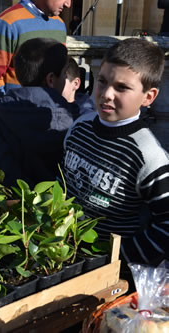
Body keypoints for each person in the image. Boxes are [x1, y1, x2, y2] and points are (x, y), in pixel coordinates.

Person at [62, 38, 169, 266]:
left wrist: (120, 260)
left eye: (122, 87)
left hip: (108, 271)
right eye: (102, 81)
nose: (107, 94)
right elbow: (62, 179)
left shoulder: (149, 156)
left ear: (148, 97)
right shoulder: (80, 126)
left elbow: (166, 223)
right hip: (59, 256)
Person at [0, 38, 85, 187]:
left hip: (11, 204)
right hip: (61, 205)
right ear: (51, 79)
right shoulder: (76, 120)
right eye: (64, 74)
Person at [0, 0, 70, 107]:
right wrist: (6, 112)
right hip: (14, 116)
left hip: (52, 116)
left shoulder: (59, 24)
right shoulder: (7, 23)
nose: (68, 4)